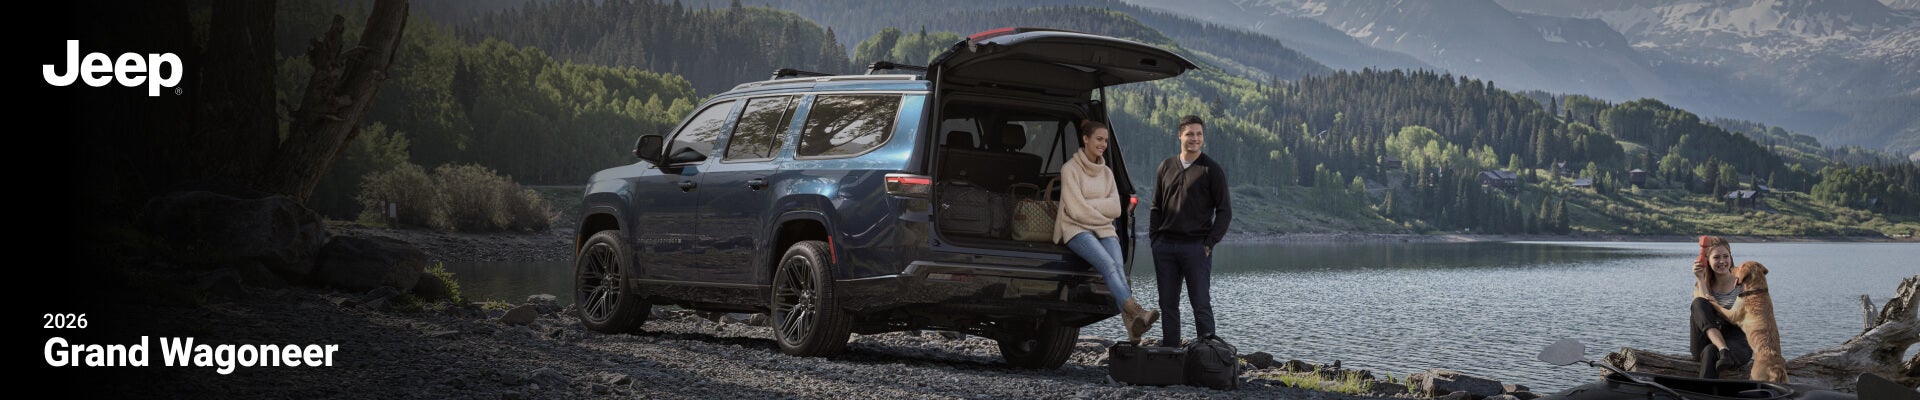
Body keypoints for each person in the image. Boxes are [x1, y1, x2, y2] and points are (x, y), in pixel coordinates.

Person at [1055, 120, 1158, 343]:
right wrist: (1099, 209)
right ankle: (1136, 311)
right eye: (1098, 139)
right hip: (1075, 229)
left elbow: (1116, 209)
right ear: (1085, 139)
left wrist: (1090, 205)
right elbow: (1075, 211)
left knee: (1118, 270)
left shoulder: (1107, 173)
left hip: (1103, 228)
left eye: (1105, 140)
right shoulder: (1069, 170)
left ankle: (1131, 327)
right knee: (1109, 264)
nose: (1103, 144)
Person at [1149, 115, 1232, 347]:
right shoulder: (1165, 167)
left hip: (1196, 248)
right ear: (1179, 135)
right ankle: (1171, 352)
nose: (1195, 139)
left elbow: (1225, 211)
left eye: (1199, 134)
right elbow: (1156, 206)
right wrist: (1155, 240)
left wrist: (1209, 243)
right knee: (1168, 304)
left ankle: (1208, 354)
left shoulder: (1211, 170)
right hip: (1164, 247)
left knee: (1200, 302)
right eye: (1190, 134)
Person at [1690, 235, 1751, 378]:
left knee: (1711, 351)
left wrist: (1717, 307)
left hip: (1736, 342)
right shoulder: (1703, 283)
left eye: (1726, 256)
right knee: (1698, 303)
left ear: (1731, 257)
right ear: (1707, 260)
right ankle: (1722, 348)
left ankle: (1703, 394)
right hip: (1704, 340)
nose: (1722, 261)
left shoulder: (1744, 284)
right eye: (1716, 257)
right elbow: (1703, 309)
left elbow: (1743, 321)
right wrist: (1700, 278)